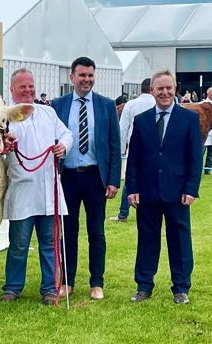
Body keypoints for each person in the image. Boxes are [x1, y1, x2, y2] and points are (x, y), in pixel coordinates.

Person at [126, 70, 202, 305]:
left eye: (169, 88)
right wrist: (132, 188)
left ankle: (181, 287)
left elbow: (195, 157)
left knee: (179, 240)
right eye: (160, 88)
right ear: (152, 91)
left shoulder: (188, 118)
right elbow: (134, 158)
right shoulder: (142, 120)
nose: (165, 92)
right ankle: (144, 285)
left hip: (178, 192)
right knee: (147, 239)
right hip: (148, 192)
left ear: (175, 89)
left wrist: (191, 189)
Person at [50, 56, 121, 300]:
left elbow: (114, 144)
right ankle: (67, 282)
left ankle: (96, 282)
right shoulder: (57, 105)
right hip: (67, 177)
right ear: (72, 77)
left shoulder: (106, 105)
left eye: (90, 75)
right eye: (82, 75)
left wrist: (113, 180)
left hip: (95, 177)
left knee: (96, 232)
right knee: (67, 232)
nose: (86, 80)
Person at [1, 68, 72, 305]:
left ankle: (50, 289)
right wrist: (5, 144)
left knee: (50, 244)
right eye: (23, 87)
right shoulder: (5, 118)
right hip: (22, 191)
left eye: (31, 86)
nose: (29, 91)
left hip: (49, 190)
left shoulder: (47, 112)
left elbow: (67, 134)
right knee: (19, 245)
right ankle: (12, 288)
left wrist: (63, 145)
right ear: (12, 90)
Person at [110, 78, 155, 223]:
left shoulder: (130, 104)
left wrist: (122, 151)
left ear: (141, 89)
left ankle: (123, 214)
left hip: (134, 151)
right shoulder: (159, 103)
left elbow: (122, 129)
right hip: (157, 151)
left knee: (130, 182)